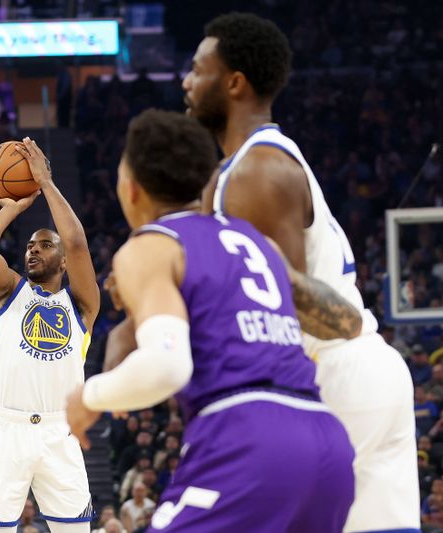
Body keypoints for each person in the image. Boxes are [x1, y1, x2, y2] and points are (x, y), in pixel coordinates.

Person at [65, 110, 359, 531]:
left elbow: (168, 364)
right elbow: (344, 321)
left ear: (130, 189)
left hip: (249, 438)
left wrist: (88, 397)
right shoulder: (256, 242)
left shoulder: (150, 246)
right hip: (327, 440)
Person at [184, 12, 419, 532]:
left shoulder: (257, 171)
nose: (186, 82)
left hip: (333, 374)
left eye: (197, 71)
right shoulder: (239, 170)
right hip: (363, 374)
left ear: (234, 83)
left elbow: (280, 313)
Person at [0, 137, 100, 531]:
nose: (33, 250)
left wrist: (47, 183)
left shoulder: (82, 307)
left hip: (61, 431)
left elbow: (76, 241)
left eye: (44, 245)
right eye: (29, 246)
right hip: (7, 429)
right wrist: (15, 207)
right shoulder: (8, 291)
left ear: (61, 259)